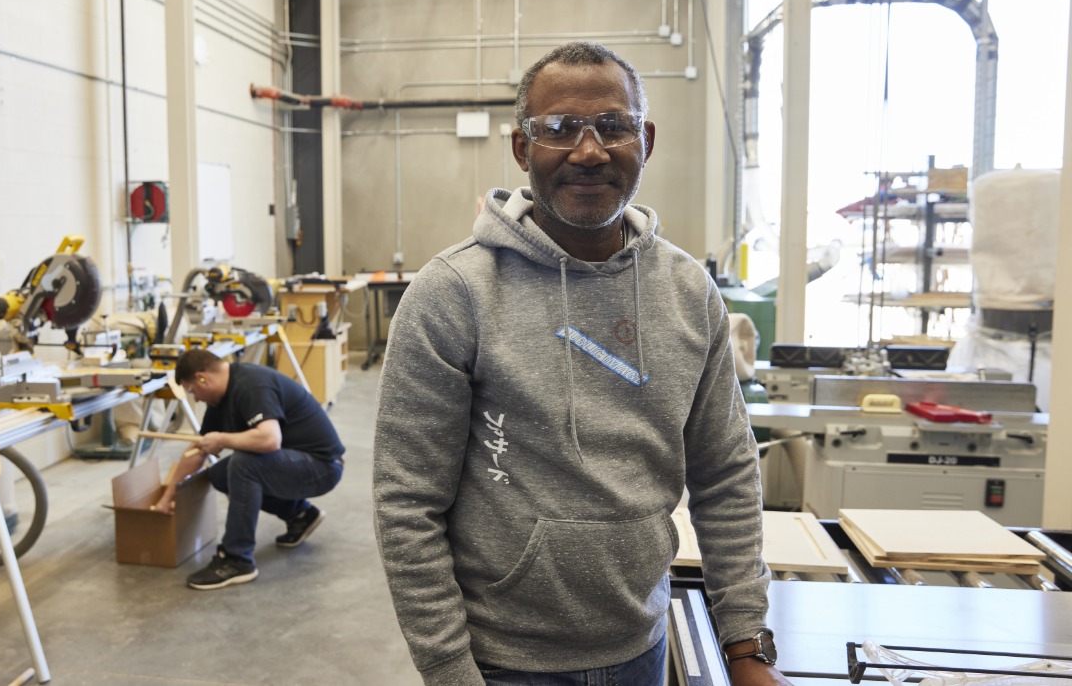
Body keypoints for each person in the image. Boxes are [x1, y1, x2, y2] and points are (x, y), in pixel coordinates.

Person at [372, 41, 791, 686]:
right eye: (560, 129)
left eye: (613, 126)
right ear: (522, 149)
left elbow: (727, 475)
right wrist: (449, 671)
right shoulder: (453, 293)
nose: (589, 151)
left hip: (643, 645)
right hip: (502, 662)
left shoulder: (688, 292)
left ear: (644, 140)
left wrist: (745, 645)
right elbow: (407, 505)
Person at [157, 349, 345, 590]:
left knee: (244, 465)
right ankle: (299, 515)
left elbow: (269, 440)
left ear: (203, 378)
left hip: (323, 466)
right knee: (219, 474)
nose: (196, 399)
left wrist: (223, 439)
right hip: (296, 462)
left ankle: (238, 559)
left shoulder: (250, 385)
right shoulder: (218, 399)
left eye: (193, 391)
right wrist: (167, 497)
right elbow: (198, 450)